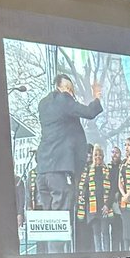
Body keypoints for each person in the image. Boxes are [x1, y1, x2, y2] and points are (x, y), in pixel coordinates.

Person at [35, 73, 103, 214]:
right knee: (61, 217)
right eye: (70, 89)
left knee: (48, 220)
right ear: (63, 87)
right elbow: (89, 112)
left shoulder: (43, 104)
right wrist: (97, 96)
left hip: (42, 170)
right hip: (59, 169)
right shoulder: (64, 99)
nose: (72, 94)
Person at [75, 143, 109, 253]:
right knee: (96, 234)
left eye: (99, 155)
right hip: (93, 208)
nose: (97, 157)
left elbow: (112, 189)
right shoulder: (89, 171)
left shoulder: (107, 170)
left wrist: (107, 205)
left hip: (104, 207)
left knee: (105, 232)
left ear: (103, 156)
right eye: (95, 155)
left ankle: (108, 256)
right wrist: (81, 196)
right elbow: (85, 186)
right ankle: (99, 257)